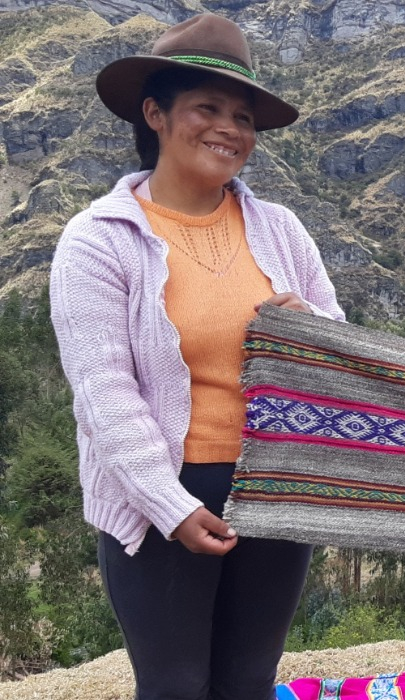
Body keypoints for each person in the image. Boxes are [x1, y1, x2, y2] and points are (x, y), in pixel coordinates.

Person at [49, 14, 343, 698]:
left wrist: (314, 329)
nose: (229, 130)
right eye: (206, 108)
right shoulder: (98, 240)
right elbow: (103, 390)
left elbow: (338, 341)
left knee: (248, 680)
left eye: (242, 116)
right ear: (155, 113)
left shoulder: (281, 230)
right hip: (162, 495)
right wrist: (167, 505)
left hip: (272, 490)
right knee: (175, 686)